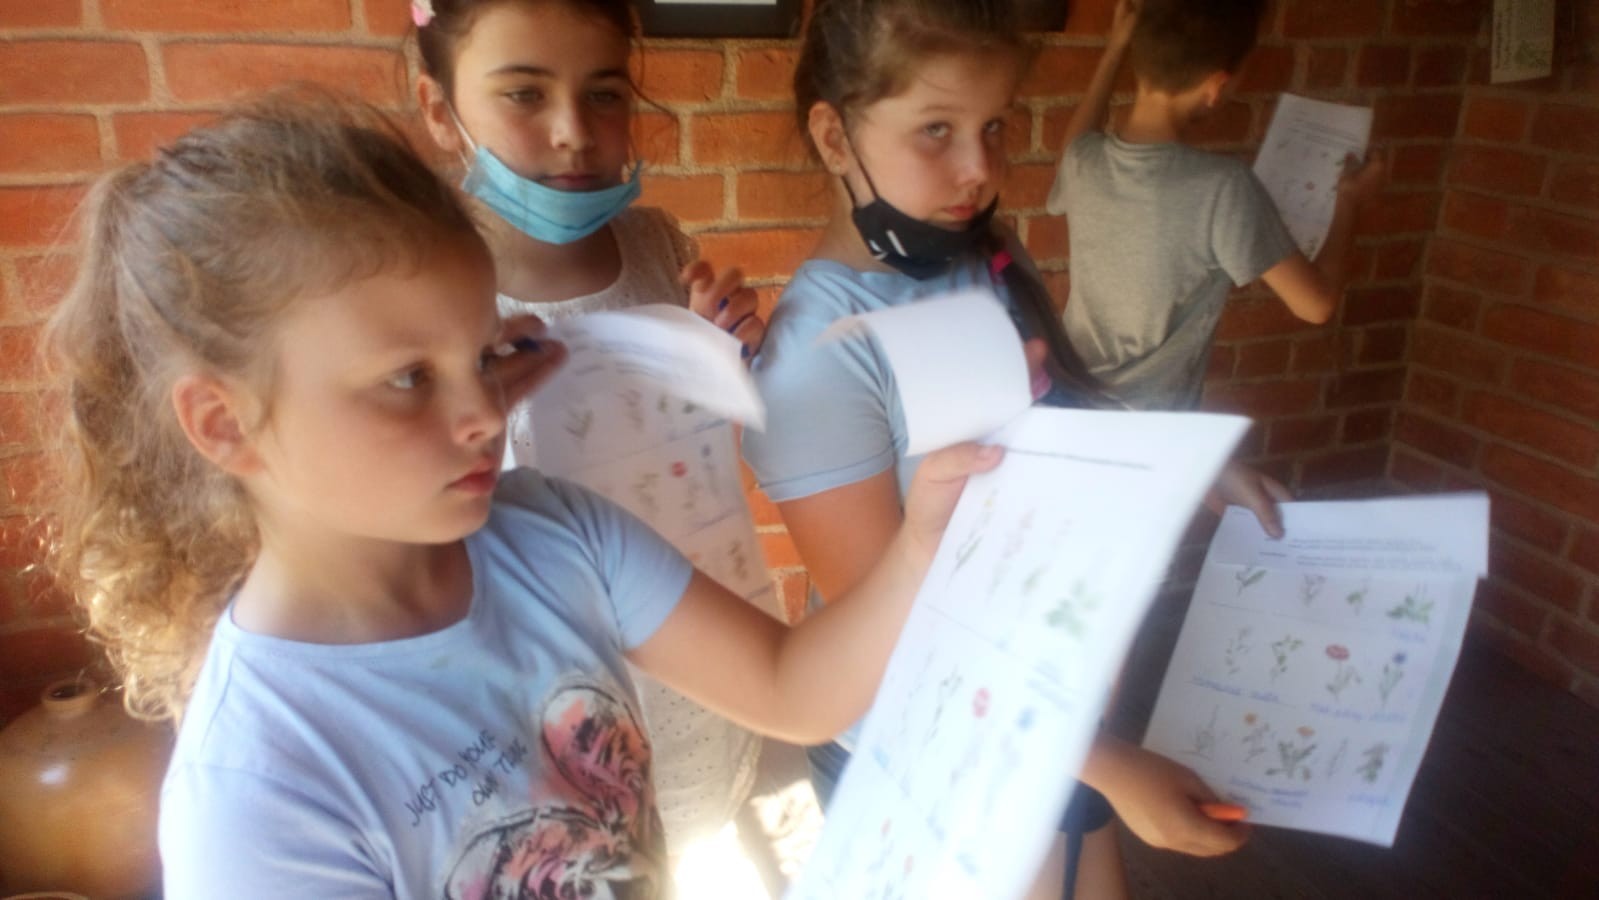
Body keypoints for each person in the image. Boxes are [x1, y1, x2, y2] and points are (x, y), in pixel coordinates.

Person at [42, 92, 1000, 898]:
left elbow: (793, 689)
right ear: (223, 423)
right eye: (407, 378)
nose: (481, 415)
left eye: (482, 356)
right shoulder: (260, 787)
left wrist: (923, 541)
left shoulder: (553, 537)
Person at [742, 1, 1264, 897]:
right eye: (935, 130)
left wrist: (1184, 464)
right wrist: (1109, 766)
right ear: (834, 137)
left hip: (1050, 702)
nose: (980, 168)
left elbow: (1054, 423)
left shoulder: (977, 256)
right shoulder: (815, 360)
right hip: (934, 753)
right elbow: (897, 643)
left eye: (993, 126)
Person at [409, 0, 771, 853]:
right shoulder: (421, 293)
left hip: (692, 654)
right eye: (524, 94)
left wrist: (719, 357)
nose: (573, 132)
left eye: (604, 94)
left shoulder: (655, 245)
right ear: (439, 108)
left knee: (682, 843)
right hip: (542, 694)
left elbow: (685, 456)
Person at [1047, 0, 1387, 412]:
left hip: (1067, 404)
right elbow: (1316, 304)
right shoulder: (1222, 188)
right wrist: (1350, 201)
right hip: (1150, 427)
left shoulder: (1083, 161)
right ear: (1216, 86)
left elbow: (1076, 141)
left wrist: (1114, 49)